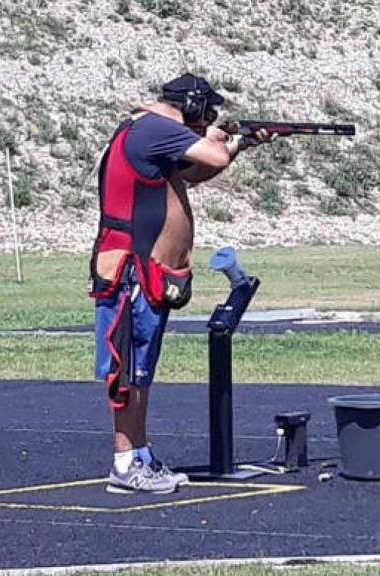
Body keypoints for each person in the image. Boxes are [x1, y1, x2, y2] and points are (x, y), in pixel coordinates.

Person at [88, 73, 271, 494]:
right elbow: (214, 157)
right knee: (125, 369)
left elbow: (194, 172)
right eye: (205, 111)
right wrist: (223, 141)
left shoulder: (154, 132)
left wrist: (240, 142)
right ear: (190, 105)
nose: (209, 117)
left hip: (146, 270)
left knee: (141, 369)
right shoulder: (153, 128)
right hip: (129, 269)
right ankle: (124, 461)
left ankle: (140, 454)